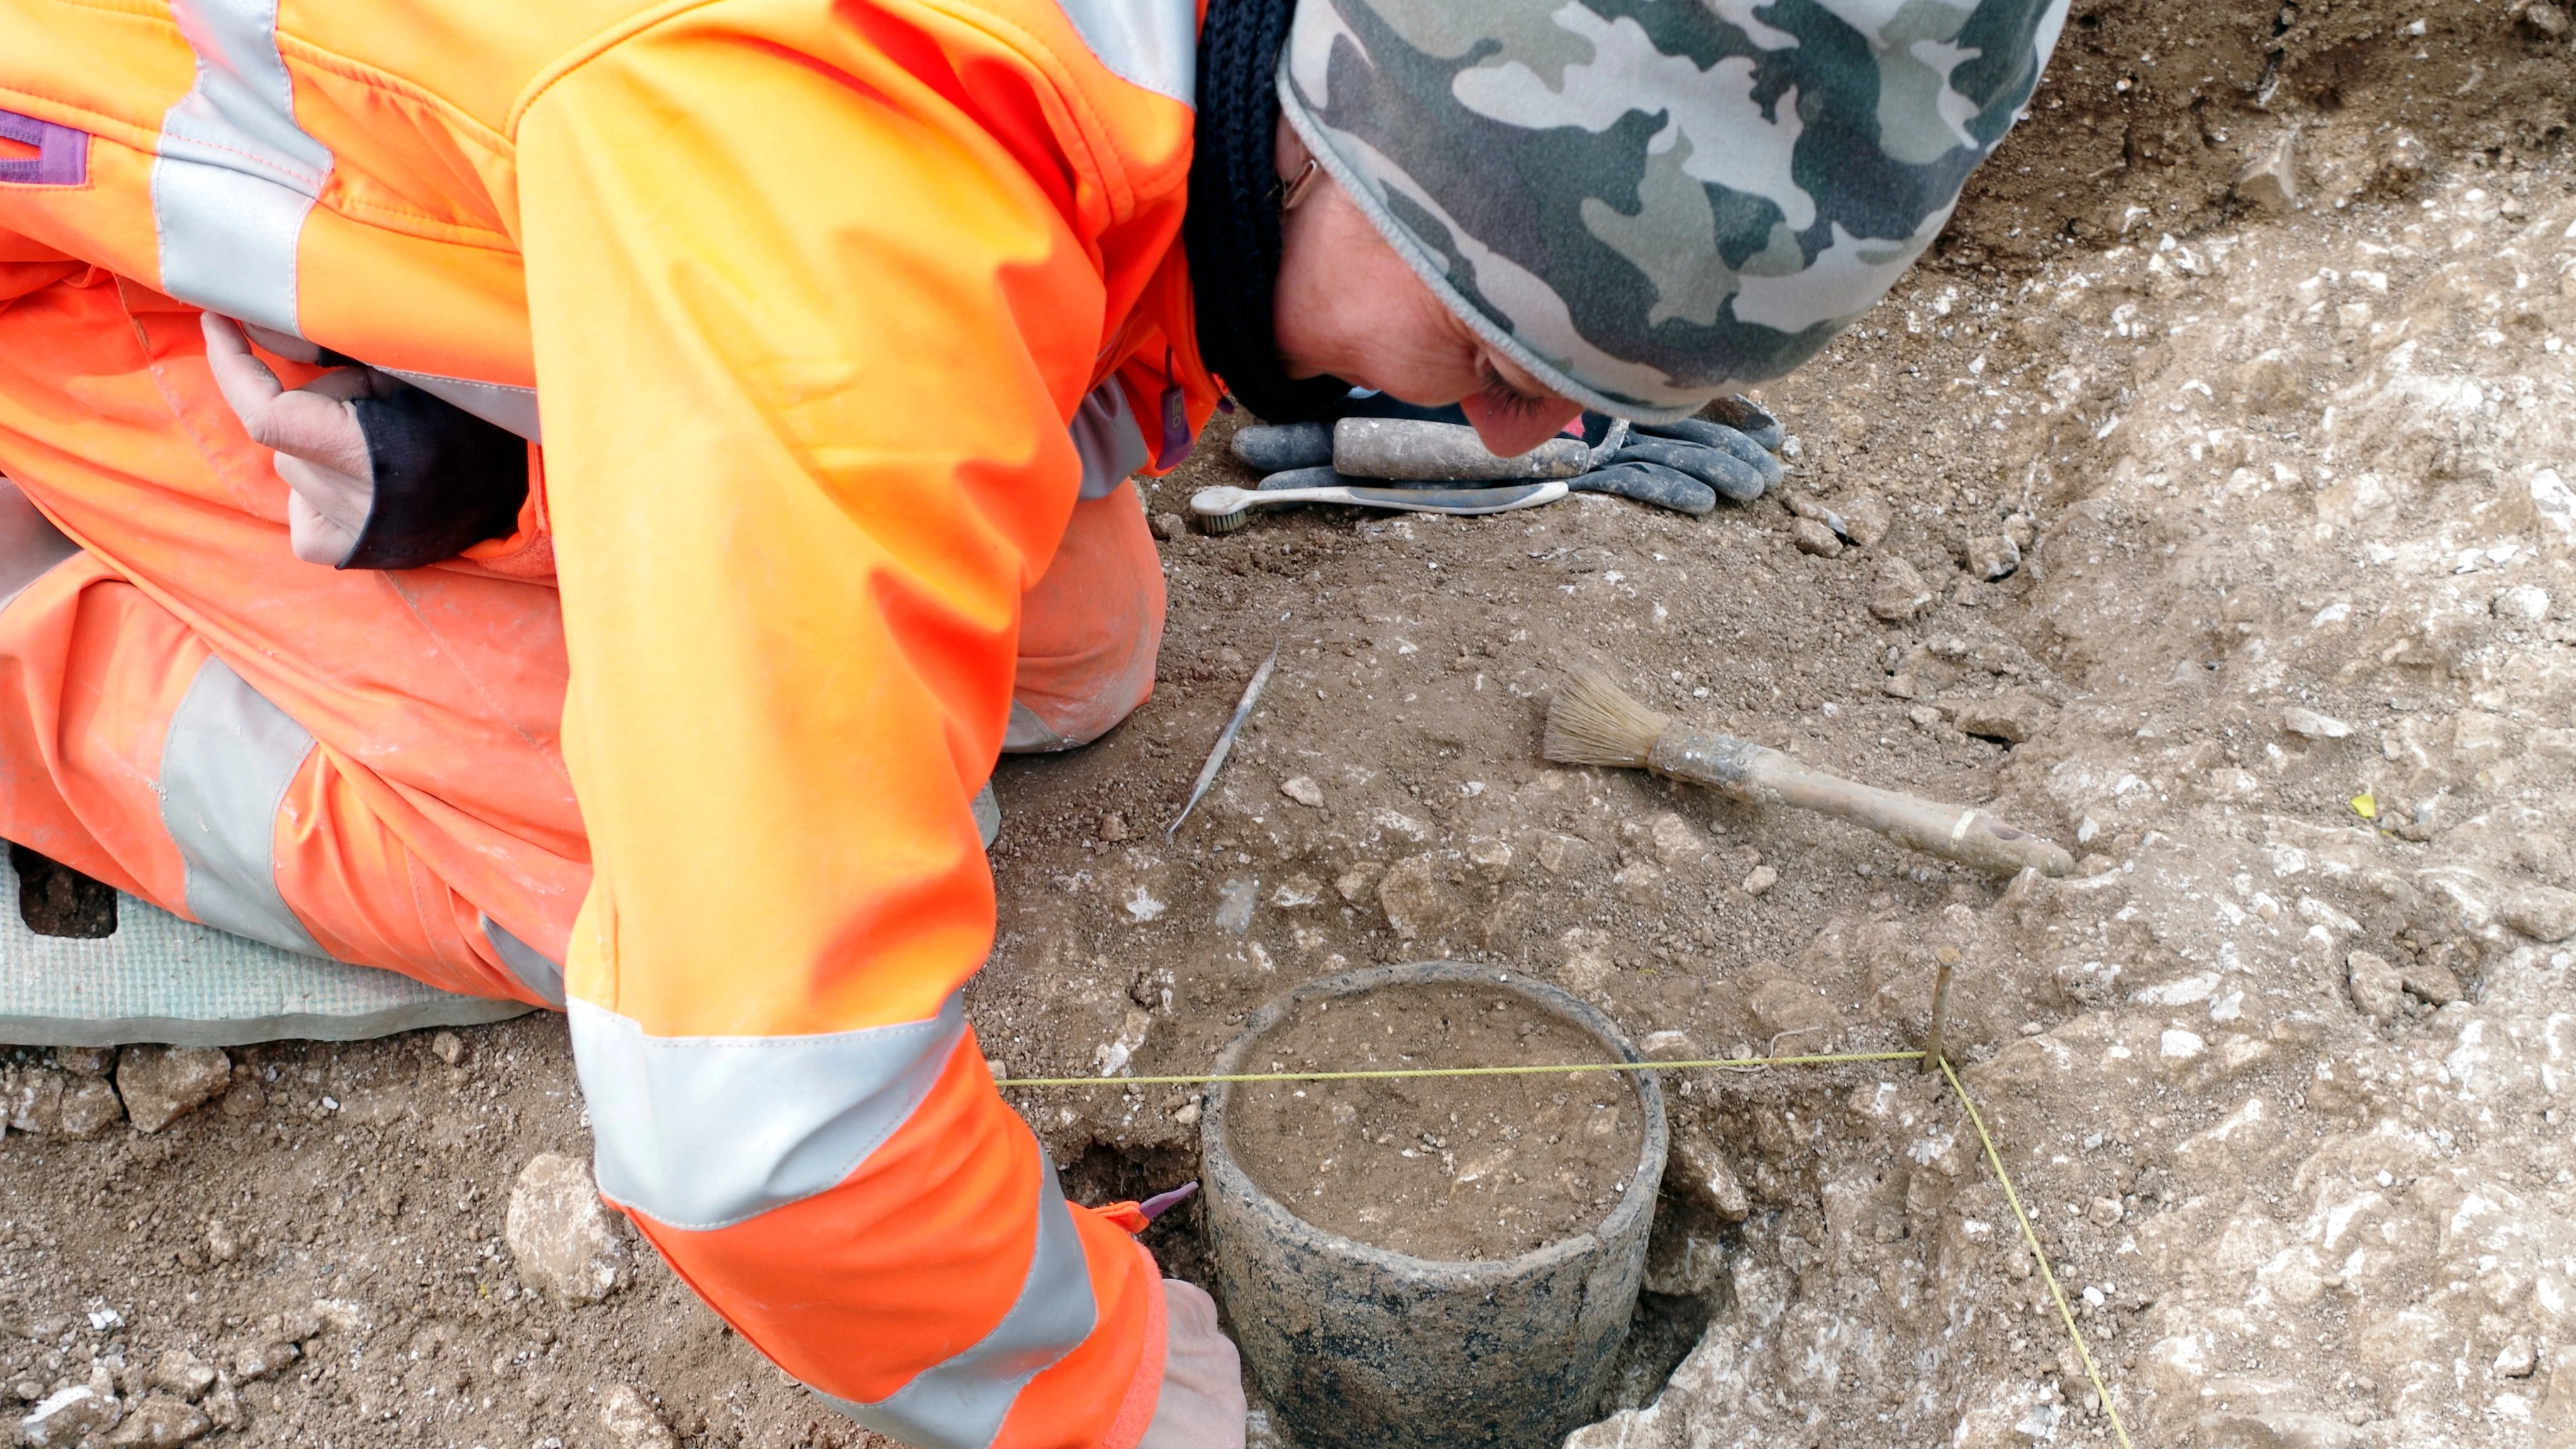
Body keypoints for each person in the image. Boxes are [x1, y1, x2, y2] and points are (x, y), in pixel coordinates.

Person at [0, 0, 2065, 1443]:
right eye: (1499, 347)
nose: (1526, 438)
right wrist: (1092, 1385)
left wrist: (505, 450)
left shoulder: (1160, 77)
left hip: (449, 180)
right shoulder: (853, 229)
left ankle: (454, 418)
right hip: (56, 236)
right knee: (632, 903)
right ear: (1347, 139)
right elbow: (752, 1140)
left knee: (1065, 660)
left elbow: (902, 270)